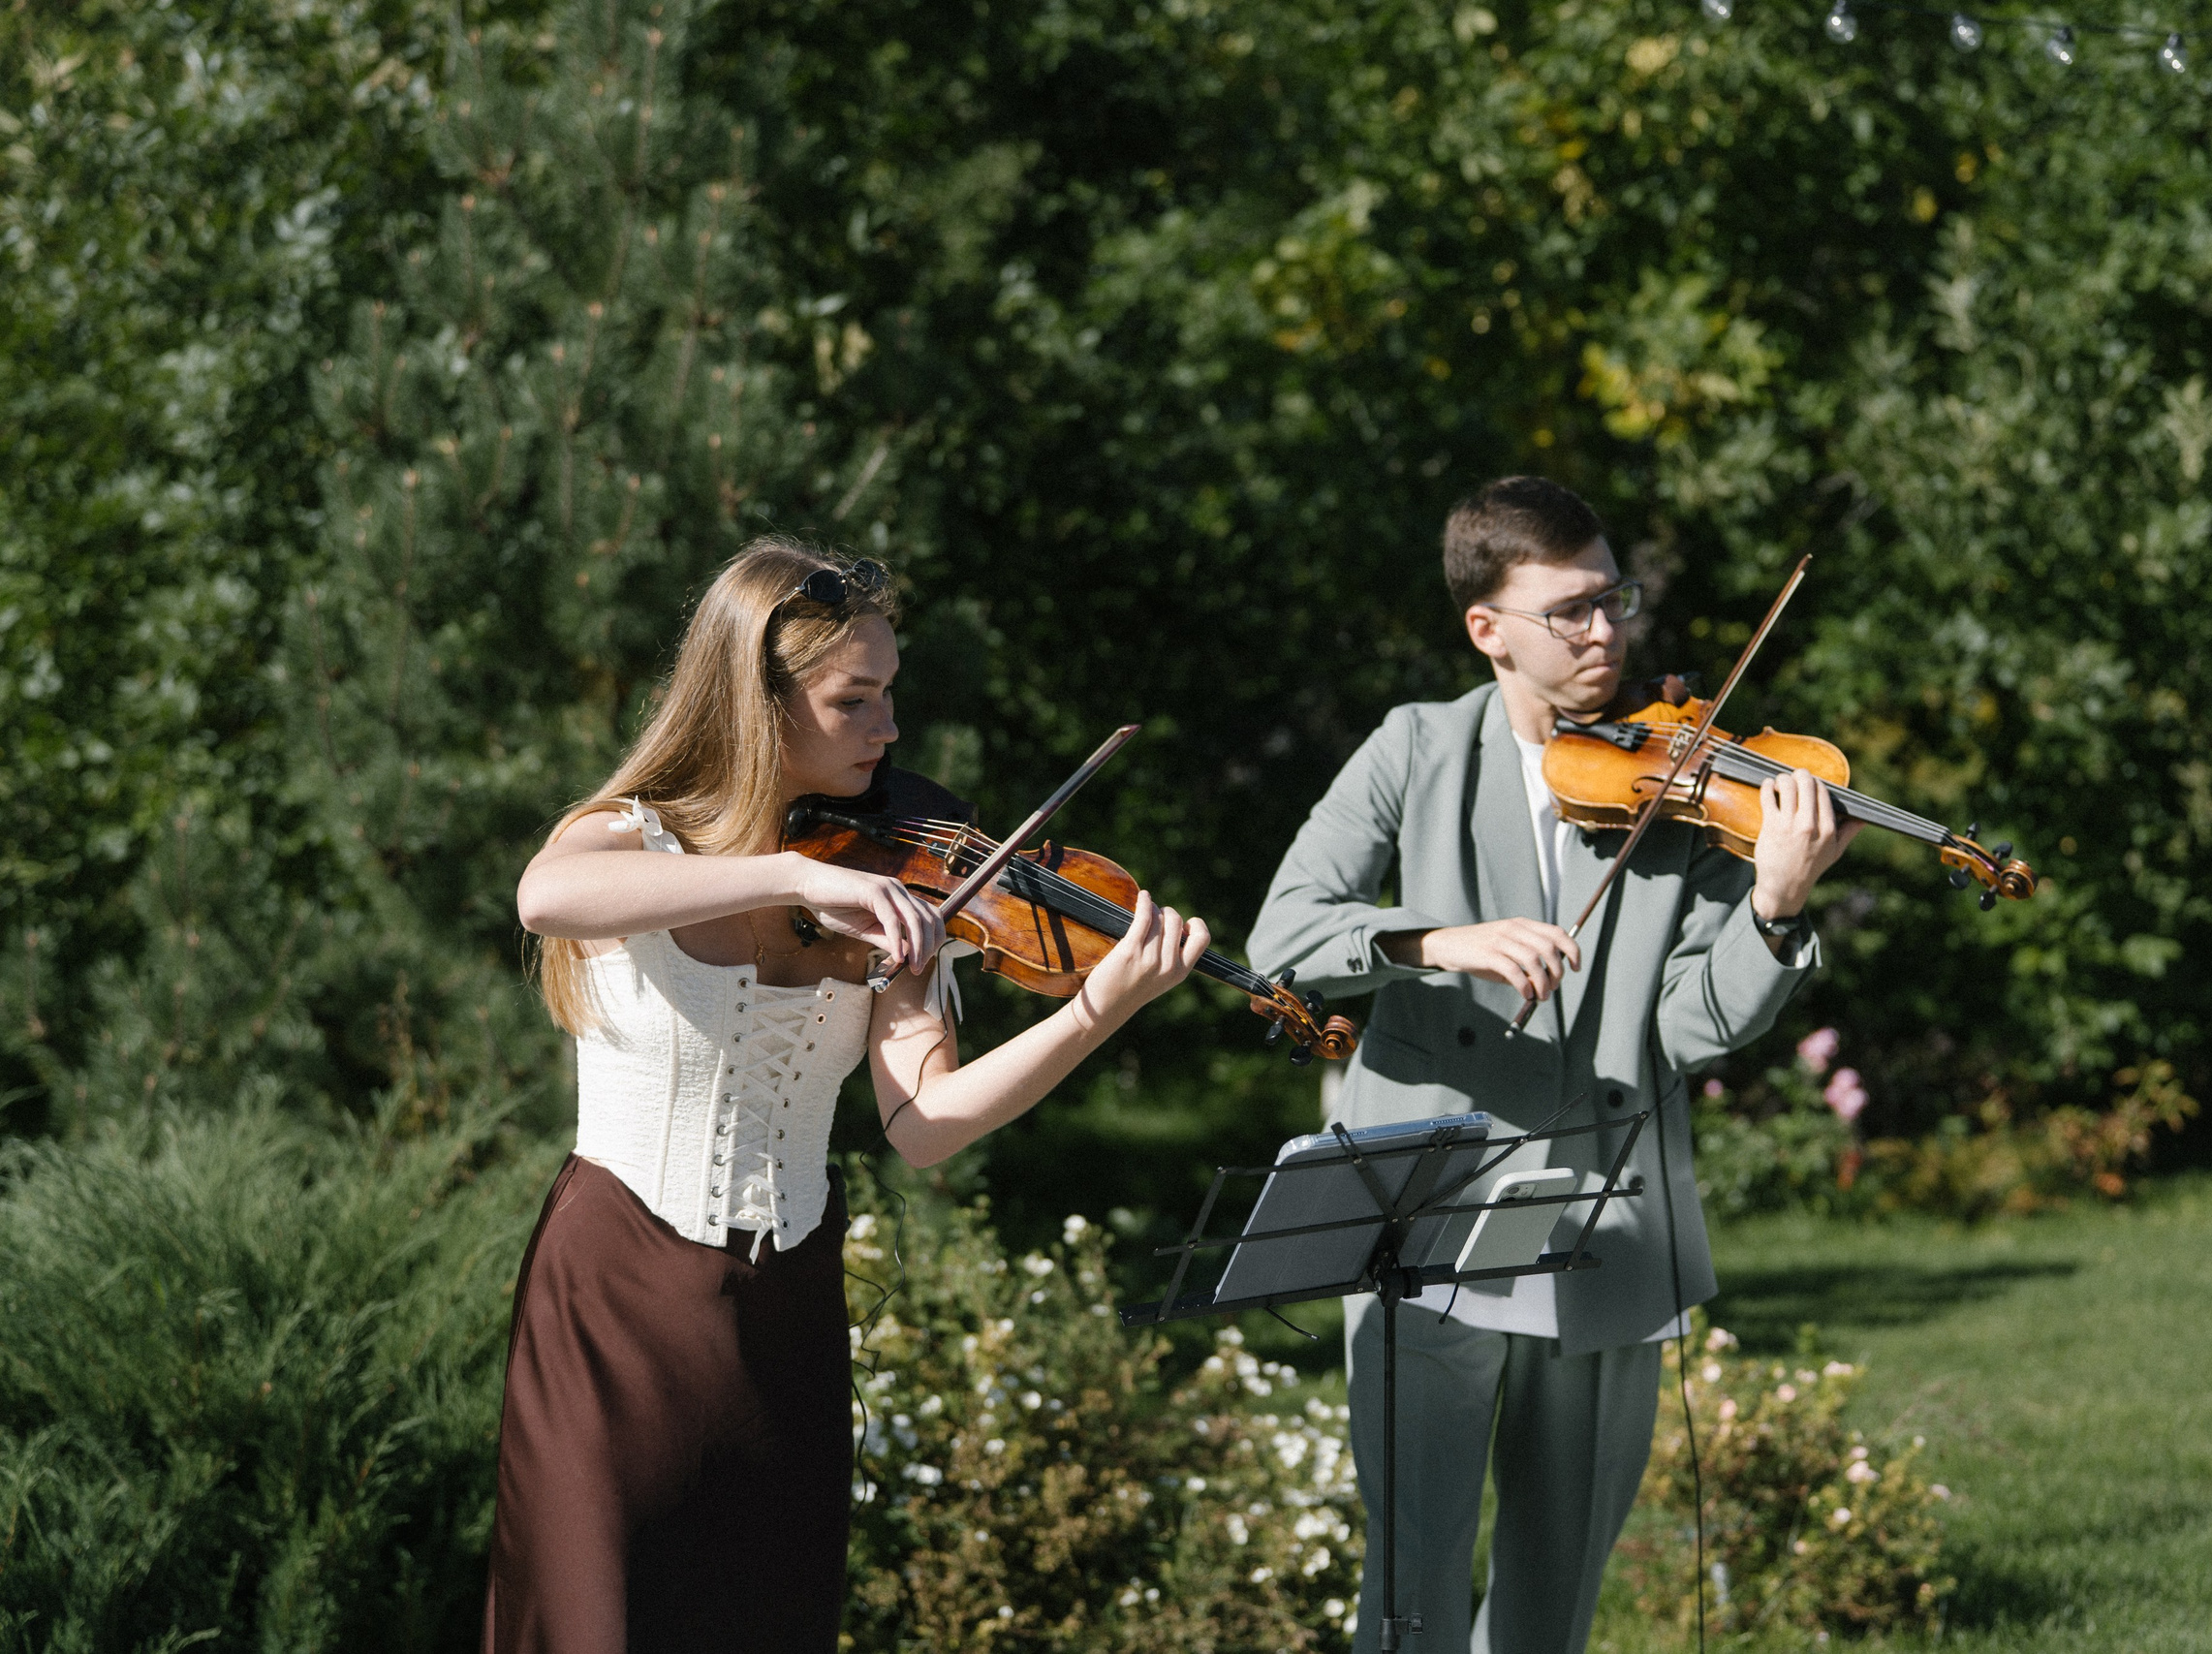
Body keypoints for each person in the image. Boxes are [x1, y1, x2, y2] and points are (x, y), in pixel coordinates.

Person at [489, 538, 1207, 1652]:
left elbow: (926, 1124)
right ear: (756, 701)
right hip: (616, 1298)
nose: (889, 728)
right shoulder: (634, 839)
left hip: (789, 1307)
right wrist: (793, 872)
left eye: (889, 693)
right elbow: (544, 898)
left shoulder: (899, 883)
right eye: (853, 699)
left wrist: (1091, 1014)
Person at [1247, 477, 1857, 1654]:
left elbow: (1692, 1026)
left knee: (1554, 1591)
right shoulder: (1415, 747)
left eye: (1613, 599)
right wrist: (1434, 940)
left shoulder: (1686, 780)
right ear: (1487, 628)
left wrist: (1774, 911)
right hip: (1425, 1211)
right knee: (1410, 1580)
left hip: (1603, 1214)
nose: (1604, 632)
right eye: (1568, 610)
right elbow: (1283, 936)